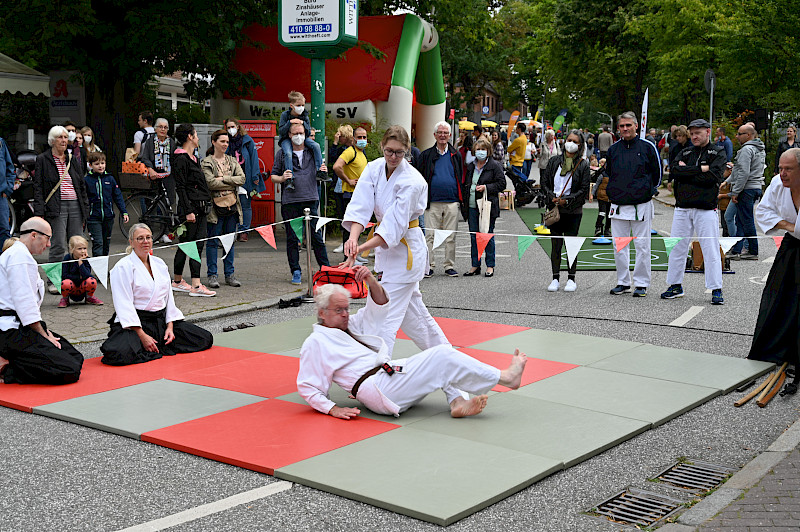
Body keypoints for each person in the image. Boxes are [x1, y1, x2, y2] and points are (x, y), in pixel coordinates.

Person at [297, 270, 528, 419]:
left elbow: (379, 307)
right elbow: (309, 386)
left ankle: (457, 401)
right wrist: (332, 409)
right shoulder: (316, 342)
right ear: (322, 313)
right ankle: (506, 377)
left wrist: (371, 281)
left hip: (388, 377)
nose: (346, 314)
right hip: (379, 389)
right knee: (440, 355)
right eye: (339, 310)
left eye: (347, 308)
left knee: (440, 358)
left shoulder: (352, 326)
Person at [342, 125, 450, 355]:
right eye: (389, 151)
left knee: (384, 317)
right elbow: (360, 206)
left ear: (407, 151)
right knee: (418, 321)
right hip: (387, 253)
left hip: (405, 254)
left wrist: (360, 248)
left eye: (399, 153)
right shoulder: (373, 169)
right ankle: (450, 363)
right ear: (381, 147)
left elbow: (393, 225)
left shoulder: (413, 181)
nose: (393, 157)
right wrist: (352, 239)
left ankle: (377, 374)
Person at [100, 223, 213, 366]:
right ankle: (146, 343)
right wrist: (142, 336)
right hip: (136, 324)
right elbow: (123, 304)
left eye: (148, 237)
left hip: (161, 321)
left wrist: (170, 326)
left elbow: (168, 298)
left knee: (204, 338)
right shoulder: (122, 267)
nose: (145, 241)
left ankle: (158, 343)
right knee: (119, 353)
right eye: (140, 238)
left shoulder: (159, 264)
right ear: (131, 242)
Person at [0, 217, 83, 384]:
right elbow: (25, 304)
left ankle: (12, 358)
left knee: (75, 357)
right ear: (33, 235)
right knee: (69, 369)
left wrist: (46, 333)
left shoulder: (22, 255)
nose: (49, 244)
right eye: (48, 238)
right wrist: (43, 334)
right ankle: (7, 368)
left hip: (23, 327)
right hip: (10, 331)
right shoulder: (18, 257)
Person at [747, 148, 800, 393]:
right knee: (779, 293)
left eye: (788, 169)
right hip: (792, 243)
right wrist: (788, 224)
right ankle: (776, 347)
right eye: (780, 168)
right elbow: (764, 211)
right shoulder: (778, 184)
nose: (782, 173)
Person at [661, 119, 726, 305]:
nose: (695, 136)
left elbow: (713, 176)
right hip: (682, 207)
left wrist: (687, 171)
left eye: (698, 132)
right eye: (692, 133)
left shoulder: (717, 152)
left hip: (705, 208)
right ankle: (675, 285)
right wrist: (699, 170)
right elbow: (674, 171)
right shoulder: (685, 151)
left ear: (708, 132)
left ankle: (716, 288)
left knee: (710, 248)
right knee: (676, 247)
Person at [606, 111, 662, 297]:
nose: (625, 129)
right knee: (619, 247)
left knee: (642, 247)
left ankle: (641, 283)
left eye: (628, 125)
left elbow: (657, 173)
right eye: (622, 126)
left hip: (641, 205)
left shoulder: (648, 146)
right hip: (618, 205)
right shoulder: (613, 149)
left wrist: (647, 190)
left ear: (636, 126)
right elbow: (609, 173)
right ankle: (623, 282)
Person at [270, 121, 330, 286]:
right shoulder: (282, 154)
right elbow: (273, 176)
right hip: (290, 201)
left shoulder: (313, 151)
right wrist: (282, 178)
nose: (298, 136)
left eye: (301, 133)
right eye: (295, 133)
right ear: (289, 135)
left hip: (311, 198)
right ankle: (295, 270)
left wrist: (323, 171)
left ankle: (325, 268)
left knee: (316, 237)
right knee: (292, 238)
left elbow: (321, 171)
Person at [33, 125, 90, 294]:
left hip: (75, 205)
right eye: (60, 137)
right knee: (57, 245)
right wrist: (39, 213)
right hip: (55, 206)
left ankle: (78, 280)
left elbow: (80, 184)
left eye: (66, 137)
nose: (64, 140)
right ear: (52, 141)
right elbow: (38, 187)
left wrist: (85, 208)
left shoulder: (72, 158)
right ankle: (54, 280)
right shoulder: (43, 159)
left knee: (78, 245)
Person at [541, 129, 591, 292]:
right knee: (556, 245)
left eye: (575, 142)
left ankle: (571, 278)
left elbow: (583, 189)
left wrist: (567, 200)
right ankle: (555, 278)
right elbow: (545, 183)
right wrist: (552, 197)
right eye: (569, 140)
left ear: (580, 145)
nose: (571, 144)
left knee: (571, 244)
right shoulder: (554, 161)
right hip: (554, 209)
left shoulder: (583, 164)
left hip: (573, 210)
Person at [171, 124, 216, 297]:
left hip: (200, 206)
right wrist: (188, 210)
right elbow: (180, 187)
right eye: (196, 135)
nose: (197, 138)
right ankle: (196, 285)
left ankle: (177, 280)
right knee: (195, 245)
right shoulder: (181, 159)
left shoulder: (194, 158)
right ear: (190, 137)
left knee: (186, 245)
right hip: (192, 209)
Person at [417, 121, 464, 278]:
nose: (443, 135)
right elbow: (419, 177)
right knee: (429, 235)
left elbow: (461, 177)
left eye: (445, 133)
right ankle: (428, 265)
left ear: (450, 136)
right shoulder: (426, 155)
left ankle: (449, 265)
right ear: (435, 135)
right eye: (440, 132)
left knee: (451, 236)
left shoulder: (456, 155)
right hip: (433, 202)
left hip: (452, 201)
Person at [201, 129, 245, 288]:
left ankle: (230, 275)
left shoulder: (232, 160)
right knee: (213, 241)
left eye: (227, 142)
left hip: (232, 205)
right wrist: (230, 182)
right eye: (222, 141)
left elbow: (242, 178)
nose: (225, 144)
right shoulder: (207, 162)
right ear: (214, 142)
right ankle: (212, 275)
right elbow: (210, 183)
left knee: (229, 241)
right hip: (215, 207)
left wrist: (223, 178)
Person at [462, 138, 505, 277]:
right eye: (478, 149)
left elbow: (501, 184)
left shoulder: (495, 165)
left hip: (487, 206)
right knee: (474, 236)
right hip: (472, 206)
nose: (480, 152)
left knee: (486, 235)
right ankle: (475, 265)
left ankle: (490, 265)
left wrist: (486, 187)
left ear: (488, 151)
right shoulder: (470, 166)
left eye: (483, 149)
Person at [728, 124, 765, 260]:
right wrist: (727, 182)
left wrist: (735, 191)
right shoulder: (759, 149)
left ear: (748, 135)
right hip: (755, 187)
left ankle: (753, 250)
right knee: (741, 220)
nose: (737, 136)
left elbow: (743, 172)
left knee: (746, 220)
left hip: (746, 188)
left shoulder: (746, 150)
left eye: (740, 133)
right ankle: (737, 249)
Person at [224, 117, 264, 242]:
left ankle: (244, 231)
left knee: (245, 204)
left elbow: (254, 158)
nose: (231, 129)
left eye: (232, 126)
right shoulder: (225, 141)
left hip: (245, 177)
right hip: (230, 177)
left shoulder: (247, 141)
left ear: (238, 126)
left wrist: (255, 176)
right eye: (228, 127)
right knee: (230, 204)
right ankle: (231, 230)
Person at [277, 91, 325, 190]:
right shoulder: (285, 115)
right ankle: (290, 178)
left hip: (303, 138)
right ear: (292, 106)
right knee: (288, 153)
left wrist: (303, 123)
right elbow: (281, 131)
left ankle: (320, 171)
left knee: (316, 146)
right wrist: (290, 123)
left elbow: (308, 132)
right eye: (298, 105)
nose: (301, 107)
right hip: (286, 139)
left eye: (303, 105)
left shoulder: (305, 115)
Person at [85, 152, 128, 256]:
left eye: (102, 163)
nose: (100, 166)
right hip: (93, 217)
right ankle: (98, 270)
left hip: (108, 216)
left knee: (106, 243)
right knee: (98, 243)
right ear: (90, 165)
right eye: (97, 164)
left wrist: (124, 212)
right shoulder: (87, 180)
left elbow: (118, 196)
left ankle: (103, 269)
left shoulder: (110, 179)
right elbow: (84, 200)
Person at [333, 126, 369, 250]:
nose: (362, 139)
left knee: (358, 226)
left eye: (364, 137)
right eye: (359, 137)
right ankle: (347, 255)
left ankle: (354, 253)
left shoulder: (361, 153)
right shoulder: (350, 151)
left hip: (361, 195)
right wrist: (348, 180)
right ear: (353, 139)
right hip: (350, 195)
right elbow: (337, 167)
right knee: (350, 228)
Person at [140, 118, 177, 226]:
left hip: (167, 175)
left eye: (165, 127)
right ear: (155, 129)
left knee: (167, 202)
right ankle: (150, 228)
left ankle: (165, 229)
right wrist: (150, 169)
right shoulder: (150, 141)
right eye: (160, 127)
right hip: (154, 175)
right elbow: (145, 157)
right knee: (152, 201)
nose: (163, 129)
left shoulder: (171, 142)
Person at [59, 235, 102, 308]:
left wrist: (80, 262)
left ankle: (89, 297)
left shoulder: (87, 259)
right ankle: (65, 299)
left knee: (92, 281)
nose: (83, 251)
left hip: (83, 289)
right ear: (72, 249)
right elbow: (64, 276)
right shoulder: (67, 258)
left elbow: (87, 276)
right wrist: (79, 277)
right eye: (79, 249)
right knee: (65, 283)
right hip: (71, 288)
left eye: (84, 248)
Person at [330, 124, 354, 253]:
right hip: (339, 186)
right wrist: (334, 143)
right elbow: (332, 158)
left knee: (350, 218)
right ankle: (344, 243)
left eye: (340, 136)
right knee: (341, 216)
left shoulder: (355, 151)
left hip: (349, 187)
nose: (339, 139)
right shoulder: (340, 150)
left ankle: (350, 243)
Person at [589, 158, 611, 237]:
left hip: (611, 198)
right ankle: (598, 228)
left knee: (609, 215)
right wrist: (592, 194)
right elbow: (596, 185)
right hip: (602, 197)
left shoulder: (615, 175)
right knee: (602, 213)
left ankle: (607, 230)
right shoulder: (602, 175)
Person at [0, 135, 14, 250]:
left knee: (4, 231)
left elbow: (10, 167)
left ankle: (4, 264)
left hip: (1, 196)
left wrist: (8, 188)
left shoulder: (0, 142)